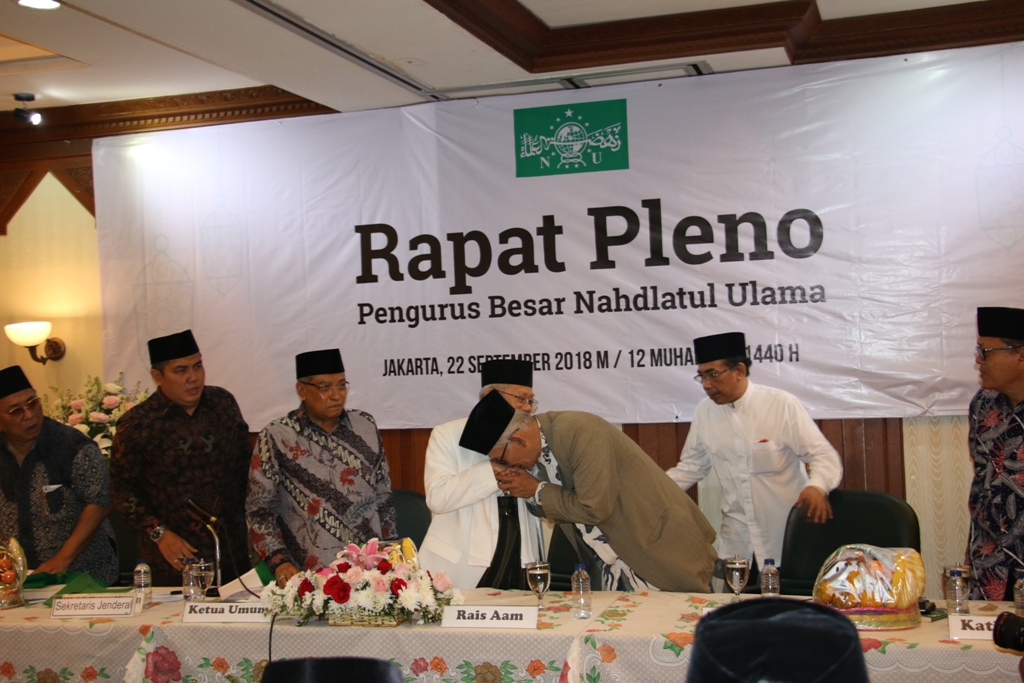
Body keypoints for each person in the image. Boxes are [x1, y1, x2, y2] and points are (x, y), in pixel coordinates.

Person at [466, 391, 718, 591]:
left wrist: (536, 489)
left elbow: (594, 508)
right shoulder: (537, 452)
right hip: (611, 571)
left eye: (502, 458)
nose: (507, 466)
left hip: (657, 557)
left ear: (519, 439)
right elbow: (555, 506)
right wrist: (530, 491)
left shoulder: (578, 431)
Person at [666, 332, 843, 572]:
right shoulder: (705, 412)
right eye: (702, 376)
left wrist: (818, 485)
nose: (707, 384)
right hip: (737, 544)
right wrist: (648, 491)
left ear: (739, 370)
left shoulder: (780, 405)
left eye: (713, 375)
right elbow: (691, 467)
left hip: (784, 539)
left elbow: (823, 456)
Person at [111, 330, 251, 586]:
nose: (193, 378)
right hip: (173, 560)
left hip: (233, 556)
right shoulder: (137, 424)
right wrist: (158, 533)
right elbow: (121, 491)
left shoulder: (223, 404)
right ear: (157, 376)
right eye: (181, 370)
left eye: (198, 366)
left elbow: (246, 471)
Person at [246, 348, 397, 587]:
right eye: (325, 387)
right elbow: (259, 511)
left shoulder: (364, 426)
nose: (336, 395)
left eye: (341, 385)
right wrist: (279, 561)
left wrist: (391, 555)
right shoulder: (277, 436)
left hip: (368, 575)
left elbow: (383, 497)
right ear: (301, 390)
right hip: (305, 576)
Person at [418, 359, 545, 589]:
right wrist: (491, 472)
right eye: (520, 398)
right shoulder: (448, 434)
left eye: (531, 401)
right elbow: (437, 498)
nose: (527, 407)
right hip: (462, 566)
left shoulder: (532, 438)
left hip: (521, 555)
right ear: (490, 396)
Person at [0, 366, 118, 584]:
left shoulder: (72, 446)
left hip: (81, 575)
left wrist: (63, 559)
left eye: (32, 403)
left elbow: (100, 501)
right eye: (15, 411)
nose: (29, 415)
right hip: (14, 580)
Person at [967, 306, 1024, 600]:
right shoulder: (983, 405)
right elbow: (982, 479)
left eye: (985, 351)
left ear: (1022, 355)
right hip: (991, 567)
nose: (978, 361)